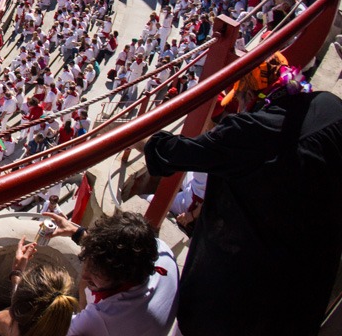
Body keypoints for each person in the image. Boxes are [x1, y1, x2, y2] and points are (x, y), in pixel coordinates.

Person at [144, 90, 342, 335]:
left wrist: (141, 137)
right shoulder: (332, 110)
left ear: (251, 97)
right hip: (298, 301)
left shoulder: (257, 134)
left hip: (228, 304)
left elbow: (167, 152)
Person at [38, 210, 177, 336]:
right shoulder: (162, 252)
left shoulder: (102, 319)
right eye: (87, 261)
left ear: (122, 277)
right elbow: (115, 252)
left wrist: (17, 278)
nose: (85, 274)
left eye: (96, 274)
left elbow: (49, 331)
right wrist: (77, 232)